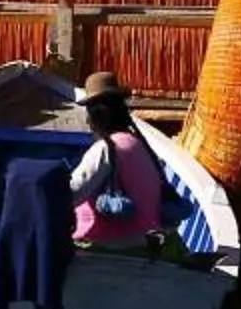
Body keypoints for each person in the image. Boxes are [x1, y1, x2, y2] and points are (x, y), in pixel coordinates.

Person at [67, 71, 168, 245]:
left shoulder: (105, 149)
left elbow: (70, 194)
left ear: (94, 116)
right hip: (142, 242)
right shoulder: (139, 145)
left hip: (108, 247)